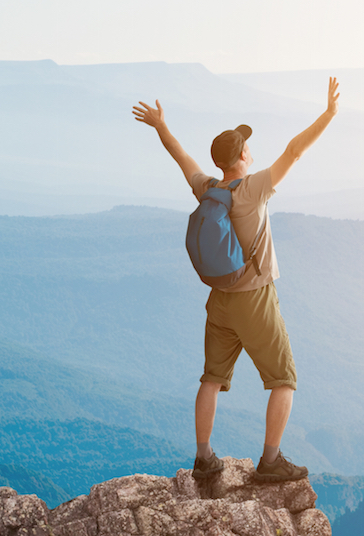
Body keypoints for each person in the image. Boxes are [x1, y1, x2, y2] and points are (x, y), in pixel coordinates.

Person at [132, 77, 340, 482]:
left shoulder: (208, 189)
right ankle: (270, 462)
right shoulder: (253, 189)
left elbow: (181, 157)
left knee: (211, 378)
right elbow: (294, 151)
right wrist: (329, 114)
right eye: (247, 147)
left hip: (219, 299)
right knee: (284, 380)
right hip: (254, 298)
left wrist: (161, 126)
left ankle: (204, 458)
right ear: (243, 155)